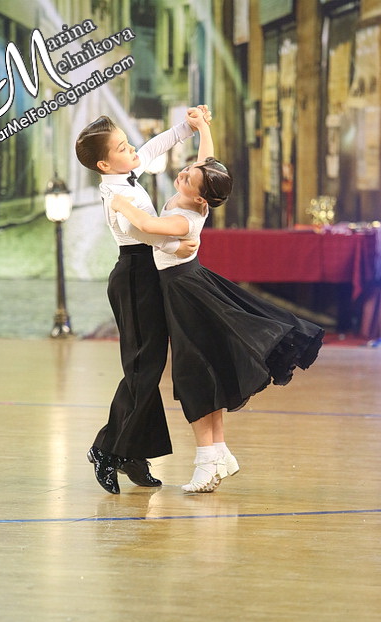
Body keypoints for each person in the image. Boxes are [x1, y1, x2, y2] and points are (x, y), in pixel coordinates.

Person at [109, 108, 325, 493]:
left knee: (194, 375)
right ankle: (217, 453)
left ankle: (208, 460)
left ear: (199, 195)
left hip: (185, 292)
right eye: (188, 171)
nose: (183, 173)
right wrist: (201, 126)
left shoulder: (184, 217)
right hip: (187, 285)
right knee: (204, 370)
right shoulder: (198, 192)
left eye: (188, 177)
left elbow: (148, 226)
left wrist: (119, 203)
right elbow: (205, 159)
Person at [75, 108, 208, 494]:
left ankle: (133, 453)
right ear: (104, 164)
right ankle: (105, 449)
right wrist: (174, 246)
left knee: (149, 367)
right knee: (141, 369)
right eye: (121, 147)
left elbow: (153, 146)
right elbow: (136, 229)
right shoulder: (116, 194)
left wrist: (187, 127)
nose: (132, 149)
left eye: (126, 142)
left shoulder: (129, 170)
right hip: (134, 276)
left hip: (148, 274)